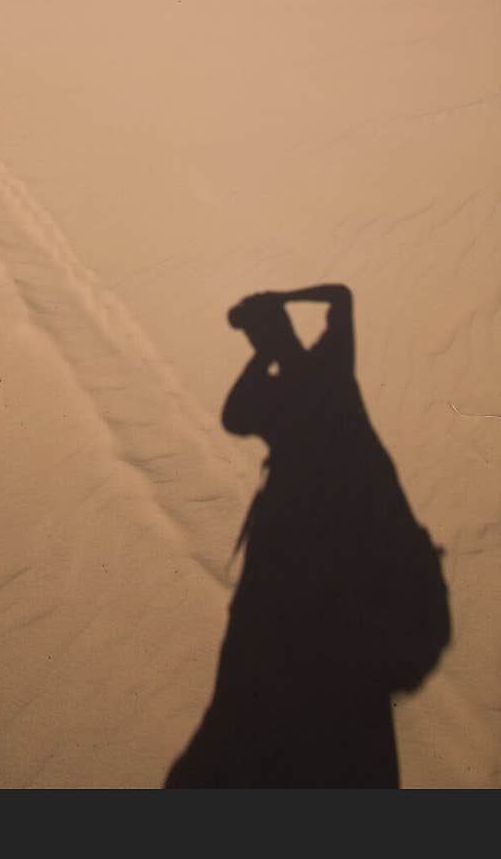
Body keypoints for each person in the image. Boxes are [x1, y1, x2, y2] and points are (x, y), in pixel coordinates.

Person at [166, 285, 449, 788]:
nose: (265, 336)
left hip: (309, 538)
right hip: (327, 534)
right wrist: (281, 309)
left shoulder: (296, 382)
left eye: (264, 328)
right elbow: (233, 415)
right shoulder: (327, 365)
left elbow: (237, 412)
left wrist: (264, 348)